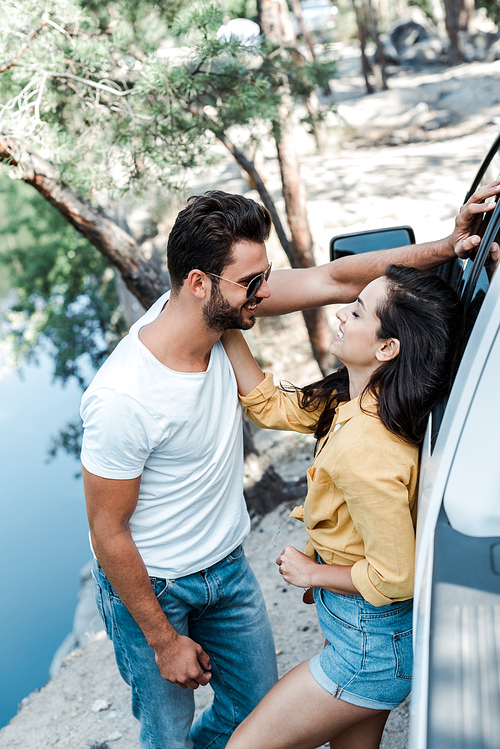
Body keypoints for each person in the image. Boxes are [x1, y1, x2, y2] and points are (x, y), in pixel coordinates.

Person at [80, 184, 500, 749]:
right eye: (252, 283)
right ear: (199, 283)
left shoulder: (228, 313)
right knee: (167, 732)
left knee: (250, 720)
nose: (264, 292)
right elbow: (107, 531)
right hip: (157, 584)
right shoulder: (123, 398)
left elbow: (336, 279)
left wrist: (450, 247)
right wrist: (162, 640)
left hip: (229, 570)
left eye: (265, 276)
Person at [222, 264, 464, 749]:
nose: (340, 316)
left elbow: (395, 575)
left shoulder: (367, 448)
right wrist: (225, 322)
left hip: (369, 650)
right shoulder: (355, 400)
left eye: (356, 312)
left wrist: (314, 574)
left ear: (387, 348)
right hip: (368, 639)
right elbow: (274, 405)